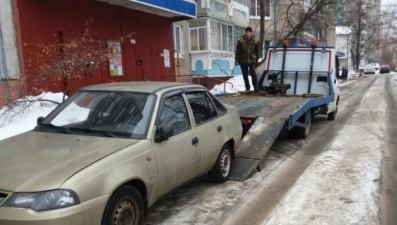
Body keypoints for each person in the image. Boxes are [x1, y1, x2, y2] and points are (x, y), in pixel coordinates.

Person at [235, 27, 259, 92]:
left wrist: (257, 60)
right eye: (246, 32)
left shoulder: (255, 41)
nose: (247, 33)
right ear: (245, 33)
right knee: (245, 75)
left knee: (253, 73)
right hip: (243, 60)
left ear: (251, 33)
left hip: (252, 60)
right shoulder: (241, 41)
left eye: (249, 32)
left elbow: (257, 51)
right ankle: (247, 87)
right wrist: (236, 59)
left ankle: (256, 87)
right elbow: (237, 50)